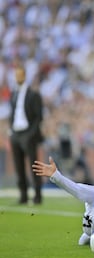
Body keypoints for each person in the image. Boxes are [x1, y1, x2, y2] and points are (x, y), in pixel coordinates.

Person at [9, 64, 44, 204]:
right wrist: (11, 129)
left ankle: (37, 194)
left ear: (24, 76)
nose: (18, 77)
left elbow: (38, 117)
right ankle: (23, 194)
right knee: (18, 166)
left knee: (33, 165)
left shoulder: (33, 94)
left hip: (27, 133)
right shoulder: (14, 93)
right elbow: (13, 113)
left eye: (20, 74)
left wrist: (31, 133)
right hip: (16, 133)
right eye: (16, 75)